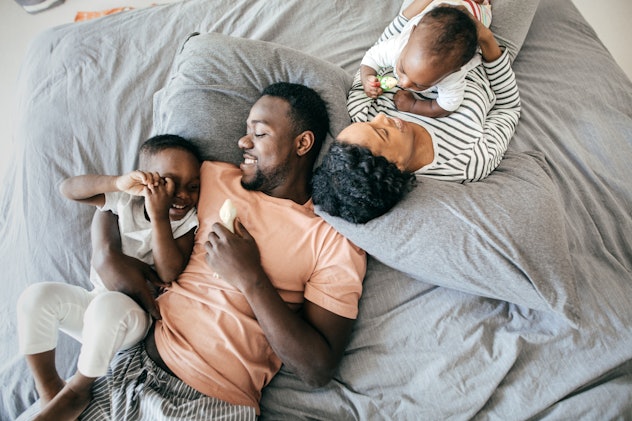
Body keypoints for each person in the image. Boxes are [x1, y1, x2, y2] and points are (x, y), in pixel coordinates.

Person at [55, 82, 367, 420]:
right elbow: (126, 197)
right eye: (246, 130)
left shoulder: (332, 241)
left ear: (302, 143)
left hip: (211, 404)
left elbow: (317, 370)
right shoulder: (209, 177)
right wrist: (106, 253)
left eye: (259, 134)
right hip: (128, 362)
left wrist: (252, 280)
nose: (243, 142)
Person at [16, 134, 202, 421]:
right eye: (168, 183)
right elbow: (68, 189)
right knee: (36, 296)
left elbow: (169, 272)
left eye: (193, 187)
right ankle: (50, 389)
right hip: (94, 304)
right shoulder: (125, 200)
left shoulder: (186, 222)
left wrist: (160, 215)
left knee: (109, 307)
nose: (182, 194)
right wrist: (117, 183)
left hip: (133, 318)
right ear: (145, 180)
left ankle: (79, 389)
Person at [312, 6, 521, 224]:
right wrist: (485, 38)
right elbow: (508, 107)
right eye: (382, 132)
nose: (380, 117)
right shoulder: (465, 161)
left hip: (424, 27)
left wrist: (424, 16)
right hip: (490, 53)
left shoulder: (361, 109)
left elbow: (385, 48)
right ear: (397, 166)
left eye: (368, 122)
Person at [361, 0, 492, 118]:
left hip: (470, 12)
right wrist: (367, 79)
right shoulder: (398, 46)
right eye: (403, 69)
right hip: (435, 8)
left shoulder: (452, 76)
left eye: (419, 85)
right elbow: (371, 57)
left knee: (482, 18)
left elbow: (447, 106)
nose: (404, 84)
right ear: (411, 34)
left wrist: (414, 106)